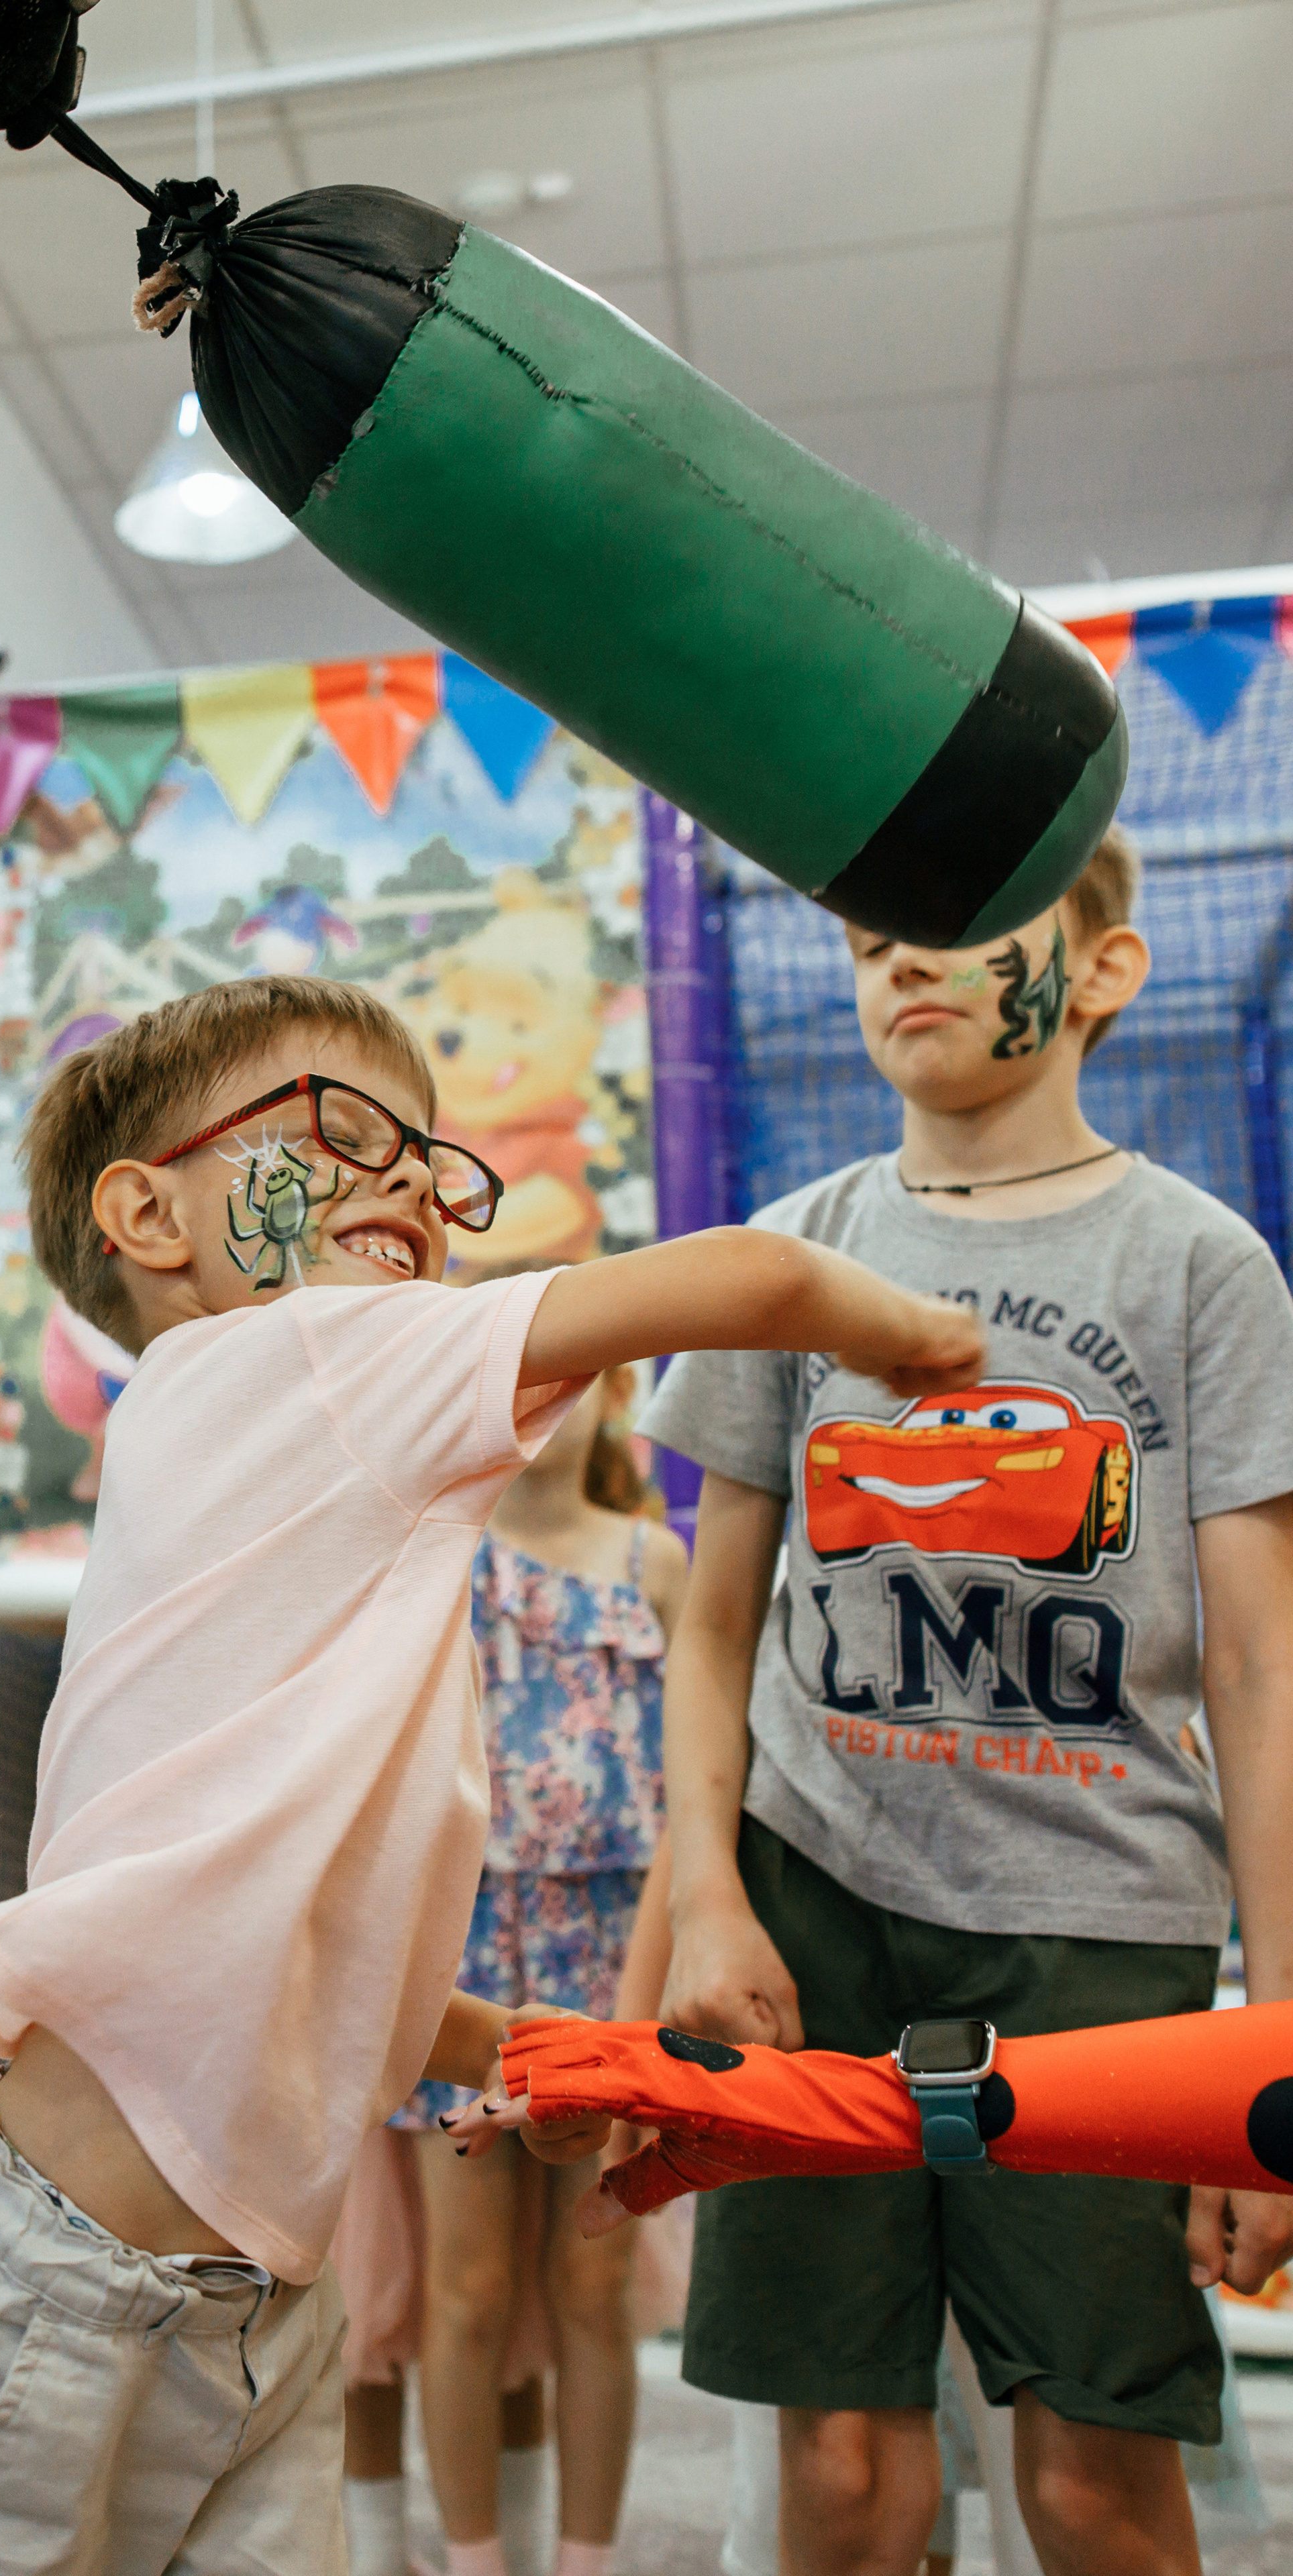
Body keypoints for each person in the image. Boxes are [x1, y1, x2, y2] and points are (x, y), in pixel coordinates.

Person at [0, 972, 980, 2575]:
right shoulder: (301, 1360)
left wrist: (506, 2044)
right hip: (46, 2281)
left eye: (431, 1158)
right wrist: (917, 1330)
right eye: (343, 1132)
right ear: (144, 1213)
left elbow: (297, 1937)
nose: (413, 1180)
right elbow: (748, 1277)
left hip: (255, 2306)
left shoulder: (290, 1494)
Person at [635, 828, 1293, 2576]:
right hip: (814, 1911)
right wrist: (709, 1891)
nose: (900, 963)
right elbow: (712, 1630)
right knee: (842, 2480)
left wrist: (1272, 2048)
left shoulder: (1201, 1265)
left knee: (1092, 2475)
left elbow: (1259, 1669)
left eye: (956, 929)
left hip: (1097, 1947)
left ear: (1102, 970)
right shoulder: (798, 1251)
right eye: (865, 943)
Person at [339, 1353, 688, 2576]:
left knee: (592, 2287)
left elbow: (698, 1781)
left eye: (575, 1377)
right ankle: (478, 2563)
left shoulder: (658, 1563)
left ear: (613, 1398)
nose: (549, 1403)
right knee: (471, 2289)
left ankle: (584, 2563)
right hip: (465, 1953)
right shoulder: (436, 1558)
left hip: (608, 1954)